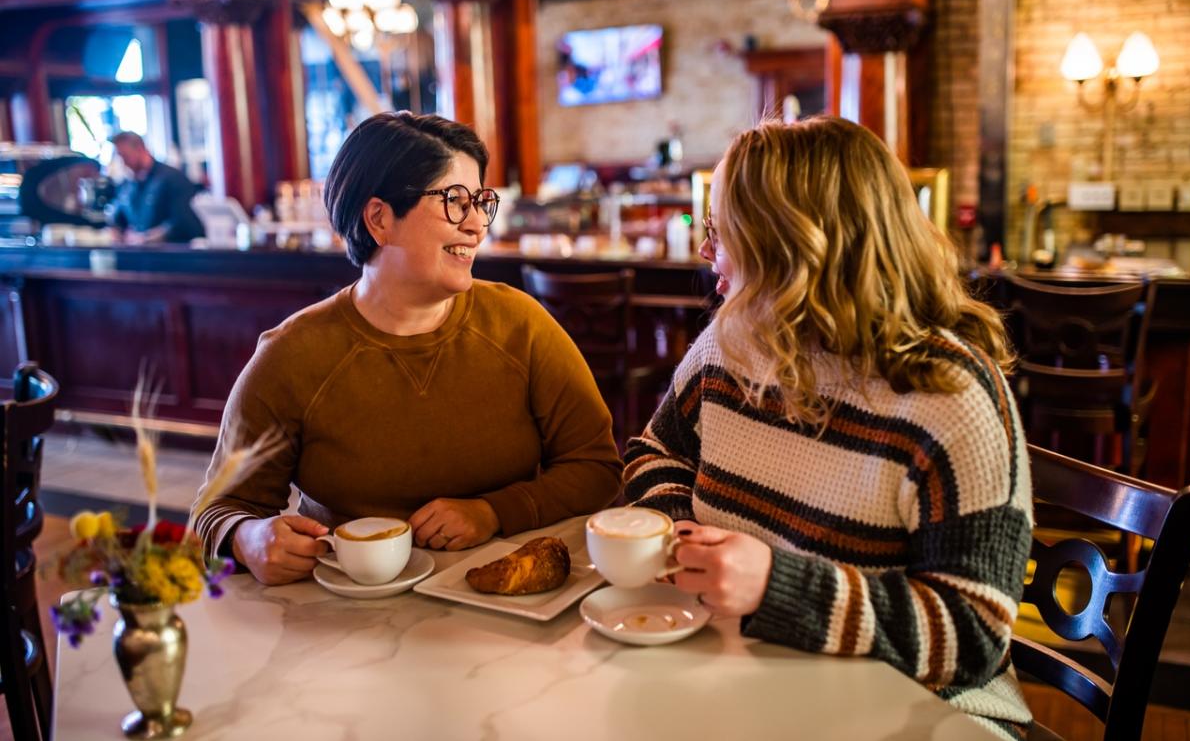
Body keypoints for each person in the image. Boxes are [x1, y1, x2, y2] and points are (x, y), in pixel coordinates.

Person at [623, 117, 1033, 740]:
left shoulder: (952, 398)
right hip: (752, 672)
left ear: (792, 245)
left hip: (924, 712)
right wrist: (681, 531)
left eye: (722, 232)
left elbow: (971, 633)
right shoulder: (728, 346)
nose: (707, 253)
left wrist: (778, 589)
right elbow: (656, 452)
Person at [192, 112, 622, 585]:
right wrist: (249, 538)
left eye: (480, 202)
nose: (477, 225)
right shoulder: (292, 355)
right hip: (347, 615)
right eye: (454, 202)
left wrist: (493, 512)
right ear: (379, 218)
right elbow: (216, 512)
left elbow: (598, 467)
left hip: (506, 602)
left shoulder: (520, 325)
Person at [109, 131, 205, 244]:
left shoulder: (172, 178)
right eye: (120, 157)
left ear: (140, 149)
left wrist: (146, 238)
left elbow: (183, 222)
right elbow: (119, 220)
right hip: (139, 255)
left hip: (170, 254)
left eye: (125, 156)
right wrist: (116, 232)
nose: (123, 162)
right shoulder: (126, 185)